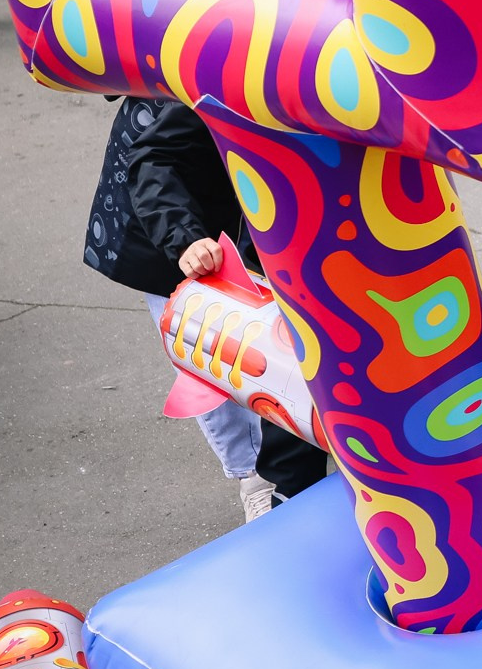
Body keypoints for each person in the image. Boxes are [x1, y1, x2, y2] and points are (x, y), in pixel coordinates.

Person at [82, 97, 326, 522]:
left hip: (240, 215)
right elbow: (154, 159)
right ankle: (253, 479)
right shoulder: (225, 75)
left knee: (274, 355)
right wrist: (184, 238)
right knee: (207, 352)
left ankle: (287, 479)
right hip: (166, 224)